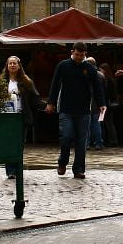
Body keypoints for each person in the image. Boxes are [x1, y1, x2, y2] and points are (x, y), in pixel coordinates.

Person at [45, 42, 105, 180]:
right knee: (66, 136)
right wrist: (51, 102)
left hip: (84, 110)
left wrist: (101, 103)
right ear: (72, 52)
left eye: (81, 55)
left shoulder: (89, 68)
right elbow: (55, 84)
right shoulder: (63, 65)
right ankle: (63, 161)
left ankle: (78, 169)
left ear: (85, 54)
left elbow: (97, 87)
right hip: (66, 108)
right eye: (77, 54)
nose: (79, 57)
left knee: (81, 140)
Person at [2, 56, 40, 179]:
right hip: (6, 117)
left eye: (15, 63)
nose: (12, 65)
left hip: (21, 116)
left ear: (19, 66)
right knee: (8, 143)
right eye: (10, 63)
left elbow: (35, 98)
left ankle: (17, 168)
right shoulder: (1, 81)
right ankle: (10, 171)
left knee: (19, 144)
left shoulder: (26, 82)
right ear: (7, 66)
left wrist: (46, 106)